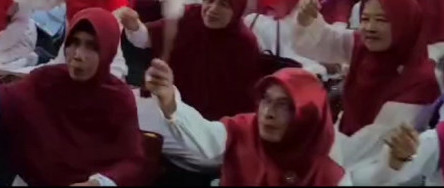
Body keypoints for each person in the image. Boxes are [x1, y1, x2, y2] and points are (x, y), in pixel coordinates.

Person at [0, 8, 147, 186]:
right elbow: (8, 100)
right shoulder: (48, 80)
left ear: (108, 51)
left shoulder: (118, 98)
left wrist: (99, 183)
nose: (78, 55)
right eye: (74, 43)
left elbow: (133, 162)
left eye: (92, 46)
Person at [292, 0, 440, 182]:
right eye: (364, 19)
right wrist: (306, 18)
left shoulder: (422, 82)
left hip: (381, 172)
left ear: (405, 24)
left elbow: (382, 144)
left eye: (382, 20)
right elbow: (323, 41)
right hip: (340, 153)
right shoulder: (363, 48)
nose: (369, 27)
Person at [145, 63, 347, 185]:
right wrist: (171, 103)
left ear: (308, 116)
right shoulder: (244, 130)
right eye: (266, 100)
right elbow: (206, 136)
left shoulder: (330, 176)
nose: (268, 113)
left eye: (284, 105)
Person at [126, 0, 262, 122]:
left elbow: (244, 100)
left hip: (215, 126)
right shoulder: (189, 17)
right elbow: (146, 38)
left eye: (223, 4)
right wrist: (133, 25)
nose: (213, 9)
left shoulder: (244, 44)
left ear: (237, 8)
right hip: (169, 109)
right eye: (209, 0)